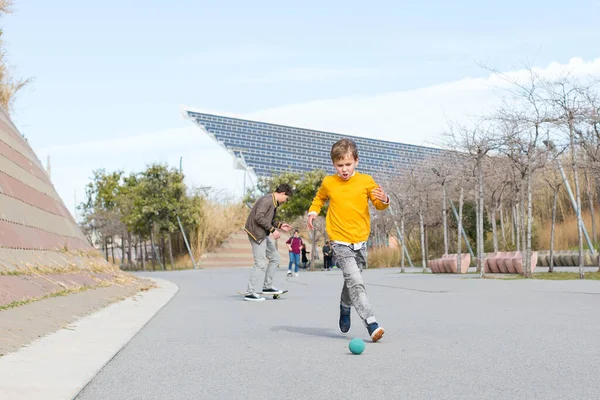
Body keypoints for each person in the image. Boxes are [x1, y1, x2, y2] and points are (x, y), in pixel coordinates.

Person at [307, 138, 389, 342]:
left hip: (361, 241)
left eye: (348, 164)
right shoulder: (329, 182)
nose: (344, 169)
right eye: (339, 165)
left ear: (356, 161)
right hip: (339, 240)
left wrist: (385, 200)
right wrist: (313, 211)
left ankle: (345, 306)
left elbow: (378, 204)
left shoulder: (366, 181)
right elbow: (319, 198)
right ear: (334, 164)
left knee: (351, 281)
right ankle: (371, 323)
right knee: (356, 281)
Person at [244, 183, 293, 301]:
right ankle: (250, 293)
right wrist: (272, 230)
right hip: (256, 234)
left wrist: (280, 225)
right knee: (260, 264)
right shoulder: (267, 200)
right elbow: (258, 217)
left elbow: (269, 219)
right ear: (282, 194)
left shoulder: (273, 202)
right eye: (286, 198)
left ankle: (267, 286)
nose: (285, 201)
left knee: (275, 257)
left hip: (262, 234)